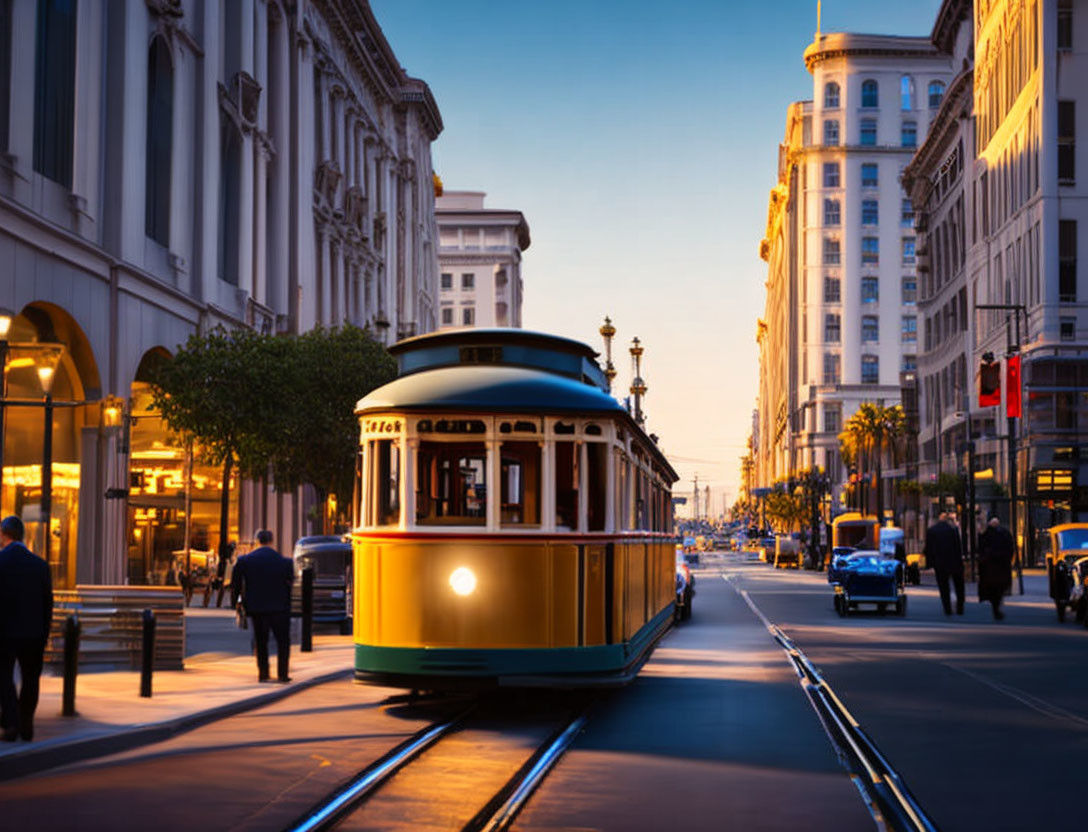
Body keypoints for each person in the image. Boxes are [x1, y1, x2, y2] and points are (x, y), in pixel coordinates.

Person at [0, 516, 53, 741]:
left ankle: (11, 724)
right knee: (31, 679)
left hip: (5, 631)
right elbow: (47, 603)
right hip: (33, 633)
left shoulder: (1, 561)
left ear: (4, 534)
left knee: (3, 676)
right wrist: (44, 634)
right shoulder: (40, 565)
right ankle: (26, 724)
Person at [231, 530, 294, 682]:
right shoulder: (285, 562)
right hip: (279, 607)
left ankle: (263, 673)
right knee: (283, 641)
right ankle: (282, 673)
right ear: (272, 541)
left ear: (257, 541)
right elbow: (289, 584)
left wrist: (237, 603)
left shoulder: (245, 561)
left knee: (261, 640)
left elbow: (236, 585)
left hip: (256, 606)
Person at [924, 512, 965, 616]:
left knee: (943, 587)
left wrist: (929, 564)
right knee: (958, 586)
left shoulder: (932, 531)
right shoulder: (953, 530)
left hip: (940, 563)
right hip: (954, 561)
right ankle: (960, 607)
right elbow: (958, 547)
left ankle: (947, 608)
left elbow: (929, 549)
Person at [978, 516, 1014, 620]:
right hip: (1001, 566)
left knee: (993, 588)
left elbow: (981, 548)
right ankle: (997, 605)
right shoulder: (1004, 533)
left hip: (991, 567)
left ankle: (995, 605)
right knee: (999, 588)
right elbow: (1010, 549)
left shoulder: (987, 534)